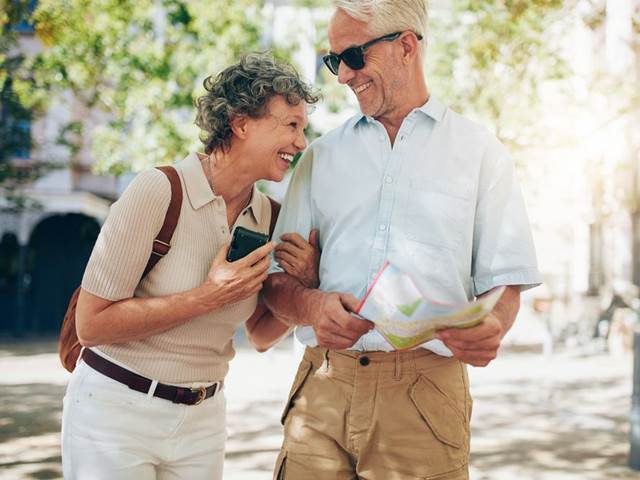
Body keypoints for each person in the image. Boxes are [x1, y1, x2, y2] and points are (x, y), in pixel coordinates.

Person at [263, 1, 542, 478]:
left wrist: (493, 325)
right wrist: (310, 306)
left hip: (425, 397)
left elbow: (506, 283)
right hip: (323, 388)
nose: (343, 76)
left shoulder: (481, 153)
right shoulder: (319, 158)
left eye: (351, 57)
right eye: (334, 62)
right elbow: (274, 284)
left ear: (406, 46)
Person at [61, 53, 320, 480]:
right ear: (241, 123)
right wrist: (206, 297)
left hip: (203, 420)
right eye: (291, 125)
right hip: (114, 414)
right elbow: (91, 325)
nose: (301, 142)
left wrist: (307, 284)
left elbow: (259, 334)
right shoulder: (159, 191)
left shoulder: (269, 216)